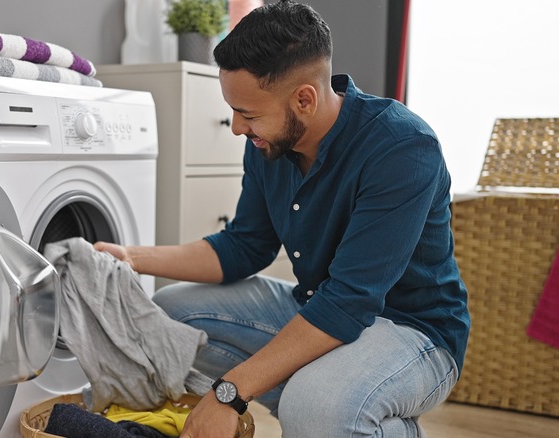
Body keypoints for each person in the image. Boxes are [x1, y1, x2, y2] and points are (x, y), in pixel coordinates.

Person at [95, 1, 470, 436]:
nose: (237, 128)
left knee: (316, 405)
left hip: (413, 331)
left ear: (304, 99)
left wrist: (230, 392)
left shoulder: (402, 147)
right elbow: (243, 247)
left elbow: (350, 301)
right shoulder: (269, 141)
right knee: (168, 318)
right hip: (318, 305)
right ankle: (331, 410)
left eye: (249, 114)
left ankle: (329, 410)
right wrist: (130, 257)